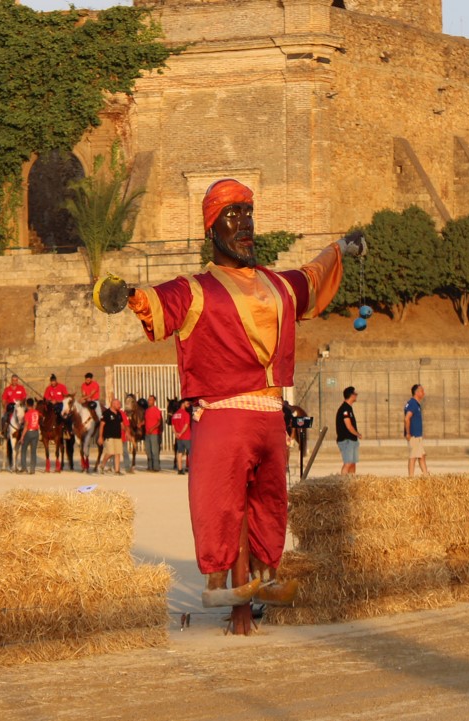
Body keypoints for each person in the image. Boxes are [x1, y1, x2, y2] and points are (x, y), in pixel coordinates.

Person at [110, 177, 363, 618]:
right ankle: (216, 581)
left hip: (270, 417)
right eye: (232, 214)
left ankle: (267, 578)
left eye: (247, 212)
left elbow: (313, 275)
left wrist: (340, 246)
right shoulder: (195, 289)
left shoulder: (279, 286)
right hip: (223, 417)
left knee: (272, 504)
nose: (244, 223)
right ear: (211, 229)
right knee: (218, 504)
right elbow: (155, 299)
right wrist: (126, 295)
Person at [1, 374, 27, 470]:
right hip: (10, 406)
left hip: (19, 406)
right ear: (11, 380)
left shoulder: (21, 388)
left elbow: (24, 397)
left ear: (18, 380)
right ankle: (4, 431)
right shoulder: (7, 389)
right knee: (4, 417)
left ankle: (26, 430)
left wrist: (21, 402)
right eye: (13, 380)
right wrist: (4, 407)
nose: (14, 381)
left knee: (25, 415)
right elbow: (3, 400)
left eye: (16, 380)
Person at [336, 386, 362, 475]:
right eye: (355, 394)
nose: (356, 395)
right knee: (348, 463)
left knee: (352, 463)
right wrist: (358, 434)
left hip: (352, 439)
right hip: (346, 440)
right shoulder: (345, 409)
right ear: (351, 395)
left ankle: (351, 482)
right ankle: (343, 482)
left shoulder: (349, 408)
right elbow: (348, 426)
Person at [403, 384, 428, 476]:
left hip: (418, 435)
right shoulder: (413, 403)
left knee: (422, 456)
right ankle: (411, 477)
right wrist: (408, 433)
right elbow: (407, 418)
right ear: (417, 392)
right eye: (422, 391)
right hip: (414, 435)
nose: (424, 393)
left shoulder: (415, 404)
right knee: (413, 457)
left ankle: (426, 476)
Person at [98, 398, 125, 475]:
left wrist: (126, 431)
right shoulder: (106, 413)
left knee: (117, 453)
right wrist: (100, 436)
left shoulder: (119, 413)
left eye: (119, 404)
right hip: (109, 436)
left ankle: (117, 471)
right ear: (113, 404)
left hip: (118, 436)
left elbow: (122, 424)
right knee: (110, 452)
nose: (119, 406)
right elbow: (101, 425)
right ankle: (102, 465)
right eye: (118, 404)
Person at [20, 398, 41, 474]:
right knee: (33, 451)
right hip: (36, 432)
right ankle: (32, 469)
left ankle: (24, 468)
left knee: (23, 450)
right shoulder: (36, 412)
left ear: (27, 404)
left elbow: (26, 425)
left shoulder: (27, 413)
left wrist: (22, 436)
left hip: (29, 432)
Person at [172, 398, 192, 475]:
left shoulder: (175, 415)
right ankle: (191, 469)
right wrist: (181, 433)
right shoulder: (186, 414)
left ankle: (180, 469)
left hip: (179, 438)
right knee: (190, 453)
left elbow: (173, 426)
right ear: (182, 403)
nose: (188, 403)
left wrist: (176, 434)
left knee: (179, 452)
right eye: (187, 402)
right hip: (186, 436)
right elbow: (186, 425)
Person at [144, 394, 163, 472]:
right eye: (148, 400)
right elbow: (146, 420)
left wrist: (152, 428)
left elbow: (159, 422)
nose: (149, 401)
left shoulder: (156, 410)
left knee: (154, 450)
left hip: (154, 433)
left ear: (154, 401)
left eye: (150, 400)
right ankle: (150, 466)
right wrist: (141, 423)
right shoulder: (147, 410)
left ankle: (156, 467)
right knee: (148, 450)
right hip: (147, 434)